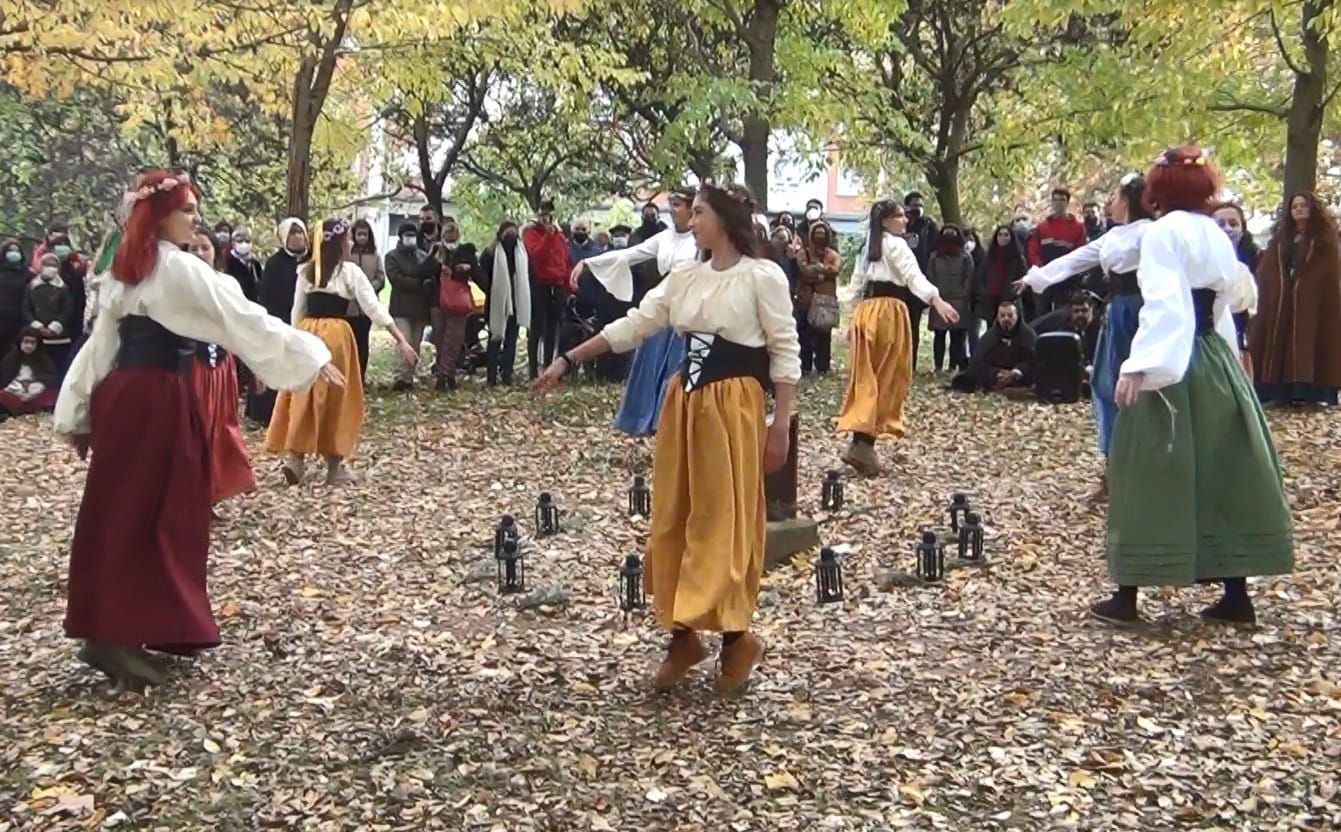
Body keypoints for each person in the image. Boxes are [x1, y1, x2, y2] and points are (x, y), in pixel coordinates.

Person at [54, 170, 339, 687]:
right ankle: (113, 635)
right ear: (160, 215)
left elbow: (103, 347)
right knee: (149, 510)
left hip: (132, 396)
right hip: (154, 398)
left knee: (133, 507)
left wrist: (80, 410)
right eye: (186, 210)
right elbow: (243, 317)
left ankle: (123, 627)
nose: (195, 219)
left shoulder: (133, 267)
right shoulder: (173, 267)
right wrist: (311, 354)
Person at [532, 182, 800, 695]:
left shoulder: (762, 277)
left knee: (724, 520)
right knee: (674, 516)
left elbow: (785, 353)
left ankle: (737, 639)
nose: (690, 222)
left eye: (699, 213)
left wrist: (780, 425)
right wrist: (568, 359)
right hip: (685, 405)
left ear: (724, 219)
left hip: (733, 407)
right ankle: (682, 638)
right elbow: (636, 324)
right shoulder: (685, 276)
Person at [1092, 145, 1292, 626]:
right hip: (1214, 362)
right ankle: (1236, 595)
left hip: (1175, 364)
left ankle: (1127, 596)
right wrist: (1228, 351)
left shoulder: (1163, 233)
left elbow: (1165, 304)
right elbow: (1232, 298)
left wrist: (1141, 365)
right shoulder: (1214, 232)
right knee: (1223, 468)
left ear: (1158, 190)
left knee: (1146, 467)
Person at [1018, 173, 1155, 499]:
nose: (1110, 203)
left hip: (1143, 312)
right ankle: (1113, 469)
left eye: (1116, 197)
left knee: (1142, 390)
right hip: (1118, 311)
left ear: (1128, 200)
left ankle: (1143, 471)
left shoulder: (1152, 232)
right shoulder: (1114, 235)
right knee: (1105, 386)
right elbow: (1075, 260)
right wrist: (1037, 277)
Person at [266, 218, 417, 486]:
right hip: (336, 337)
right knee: (338, 397)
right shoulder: (349, 272)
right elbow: (373, 306)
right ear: (338, 243)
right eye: (346, 238)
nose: (349, 242)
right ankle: (334, 465)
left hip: (308, 332)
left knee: (303, 394)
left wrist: (293, 343)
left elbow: (297, 311)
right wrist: (401, 339)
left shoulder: (307, 272)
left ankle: (296, 459)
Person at [838, 200, 959, 476]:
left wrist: (852, 319)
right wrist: (937, 300)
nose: (905, 221)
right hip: (888, 314)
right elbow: (913, 276)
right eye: (900, 216)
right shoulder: (895, 245)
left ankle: (860, 441)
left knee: (867, 377)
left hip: (867, 313)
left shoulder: (870, 247)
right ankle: (863, 444)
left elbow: (856, 286)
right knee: (887, 377)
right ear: (885, 221)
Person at [573, 187, 698, 435]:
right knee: (651, 365)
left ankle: (671, 422)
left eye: (678, 205)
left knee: (675, 371)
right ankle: (646, 418)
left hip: (688, 314)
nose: (673, 210)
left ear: (690, 208)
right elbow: (630, 254)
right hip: (662, 308)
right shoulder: (664, 237)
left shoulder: (700, 240)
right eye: (671, 204)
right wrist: (588, 262)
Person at [1248, 191, 1341, 406]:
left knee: (1308, 338)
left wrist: (1306, 287)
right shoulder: (1281, 238)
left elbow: (1327, 271)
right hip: (1282, 298)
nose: (1299, 209)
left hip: (1312, 300)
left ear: (1313, 209)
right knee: (1278, 336)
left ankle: (1308, 390)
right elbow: (1270, 267)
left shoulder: (1325, 239)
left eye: (1303, 205)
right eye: (1294, 206)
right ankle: (1277, 389)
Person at [186, 231, 256, 506]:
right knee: (194, 432)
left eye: (205, 247)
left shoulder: (227, 284)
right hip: (191, 366)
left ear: (215, 252)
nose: (199, 253)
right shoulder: (177, 285)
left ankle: (210, 497)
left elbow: (243, 325)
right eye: (193, 248)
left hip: (221, 367)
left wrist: (253, 364)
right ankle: (191, 497)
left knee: (219, 431)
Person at [247, 218, 308, 427]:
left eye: (300, 232)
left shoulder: (311, 260)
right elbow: (267, 296)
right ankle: (265, 414)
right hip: (279, 319)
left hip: (304, 320)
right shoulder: (275, 264)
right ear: (283, 238)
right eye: (292, 234)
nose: (297, 237)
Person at [385, 221, 439, 390]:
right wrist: (419, 283)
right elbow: (397, 279)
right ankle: (401, 377)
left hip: (420, 308)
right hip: (401, 307)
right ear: (401, 237)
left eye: (413, 235)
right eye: (407, 235)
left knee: (415, 344)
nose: (410, 238)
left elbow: (430, 275)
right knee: (404, 341)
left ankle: (409, 377)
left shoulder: (422, 255)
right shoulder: (392, 256)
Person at [523, 200, 572, 380]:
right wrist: (548, 237)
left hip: (557, 285)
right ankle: (532, 369)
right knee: (536, 327)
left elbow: (564, 260)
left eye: (549, 213)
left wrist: (568, 287)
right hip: (539, 284)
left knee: (553, 327)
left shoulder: (559, 235)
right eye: (543, 213)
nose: (547, 217)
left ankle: (548, 366)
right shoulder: (530, 233)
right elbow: (536, 256)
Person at [950, 296, 1035, 396]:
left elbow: (1033, 360)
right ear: (997, 317)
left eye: (1010, 315)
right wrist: (997, 373)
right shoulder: (989, 337)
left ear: (1017, 316)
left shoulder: (1028, 336)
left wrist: (1017, 372)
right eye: (1002, 316)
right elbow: (979, 362)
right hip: (994, 378)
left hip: (1020, 377)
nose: (1006, 319)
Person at [480, 221, 529, 386]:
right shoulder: (491, 253)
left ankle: (507, 374)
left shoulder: (521, 253)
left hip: (515, 302)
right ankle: (491, 376)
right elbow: (482, 272)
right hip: (495, 303)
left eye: (514, 234)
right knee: (494, 339)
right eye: (508, 234)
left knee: (511, 341)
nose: (511, 237)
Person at [1027, 187, 1089, 317]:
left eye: (1062, 200)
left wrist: (1069, 272)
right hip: (1044, 278)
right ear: (1051, 202)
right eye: (1055, 200)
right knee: (1042, 315)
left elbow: (1080, 252)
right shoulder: (1042, 227)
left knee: (1064, 315)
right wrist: (1040, 268)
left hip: (1067, 280)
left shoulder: (1077, 228)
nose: (1058, 203)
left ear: (1067, 202)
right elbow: (1033, 250)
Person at [972, 224, 1029, 353]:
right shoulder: (989, 257)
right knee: (991, 333)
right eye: (1000, 235)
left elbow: (1022, 279)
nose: (1003, 237)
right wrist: (984, 293)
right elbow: (981, 277)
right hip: (990, 300)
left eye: (1006, 235)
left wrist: (1013, 295)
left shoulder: (1018, 258)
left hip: (1009, 301)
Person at [795, 221, 841, 376]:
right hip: (806, 300)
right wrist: (822, 273)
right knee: (804, 334)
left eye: (822, 233)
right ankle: (805, 366)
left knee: (824, 335)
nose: (820, 236)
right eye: (817, 233)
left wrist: (819, 269)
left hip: (825, 301)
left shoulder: (832, 255)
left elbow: (835, 270)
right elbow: (805, 271)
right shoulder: (803, 254)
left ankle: (823, 366)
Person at [926, 224, 974, 373]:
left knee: (957, 337)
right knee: (939, 335)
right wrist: (935, 296)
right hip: (940, 300)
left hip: (959, 301)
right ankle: (938, 366)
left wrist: (963, 295)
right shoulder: (935, 257)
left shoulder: (965, 257)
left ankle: (953, 366)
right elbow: (930, 276)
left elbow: (969, 278)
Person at [901, 191, 938, 370]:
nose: (918, 209)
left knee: (913, 325)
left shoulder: (929, 226)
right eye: (914, 205)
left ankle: (911, 364)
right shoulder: (900, 224)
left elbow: (934, 249)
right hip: (899, 282)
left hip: (918, 280)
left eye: (921, 206)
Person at [347, 218, 387, 382]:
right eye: (359, 234)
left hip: (366, 308)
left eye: (365, 234)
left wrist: (370, 288)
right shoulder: (347, 254)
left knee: (363, 343)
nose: (362, 237)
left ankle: (360, 377)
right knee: (348, 343)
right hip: (348, 307)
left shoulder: (375, 255)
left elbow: (381, 277)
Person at [23, 252, 74, 373]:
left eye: (54, 265)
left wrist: (54, 327)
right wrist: (37, 326)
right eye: (47, 265)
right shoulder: (32, 286)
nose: (50, 268)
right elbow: (26, 308)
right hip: (36, 333)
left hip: (58, 336)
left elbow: (67, 309)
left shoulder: (63, 288)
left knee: (57, 367)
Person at [0, 330, 58, 420]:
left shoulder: (43, 360)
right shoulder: (10, 359)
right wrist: (19, 391)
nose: (29, 346)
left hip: (36, 393)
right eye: (26, 342)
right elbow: (5, 379)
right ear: (20, 343)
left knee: (53, 395)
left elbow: (49, 379)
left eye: (32, 343)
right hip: (14, 392)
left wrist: (33, 392)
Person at [0, 238, 31, 350]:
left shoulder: (27, 274)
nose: (14, 253)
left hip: (18, 319)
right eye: (10, 250)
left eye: (17, 251)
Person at [224, 228, 262, 302]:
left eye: (247, 241)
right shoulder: (226, 262)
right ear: (233, 243)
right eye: (240, 241)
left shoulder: (255, 264)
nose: (244, 244)